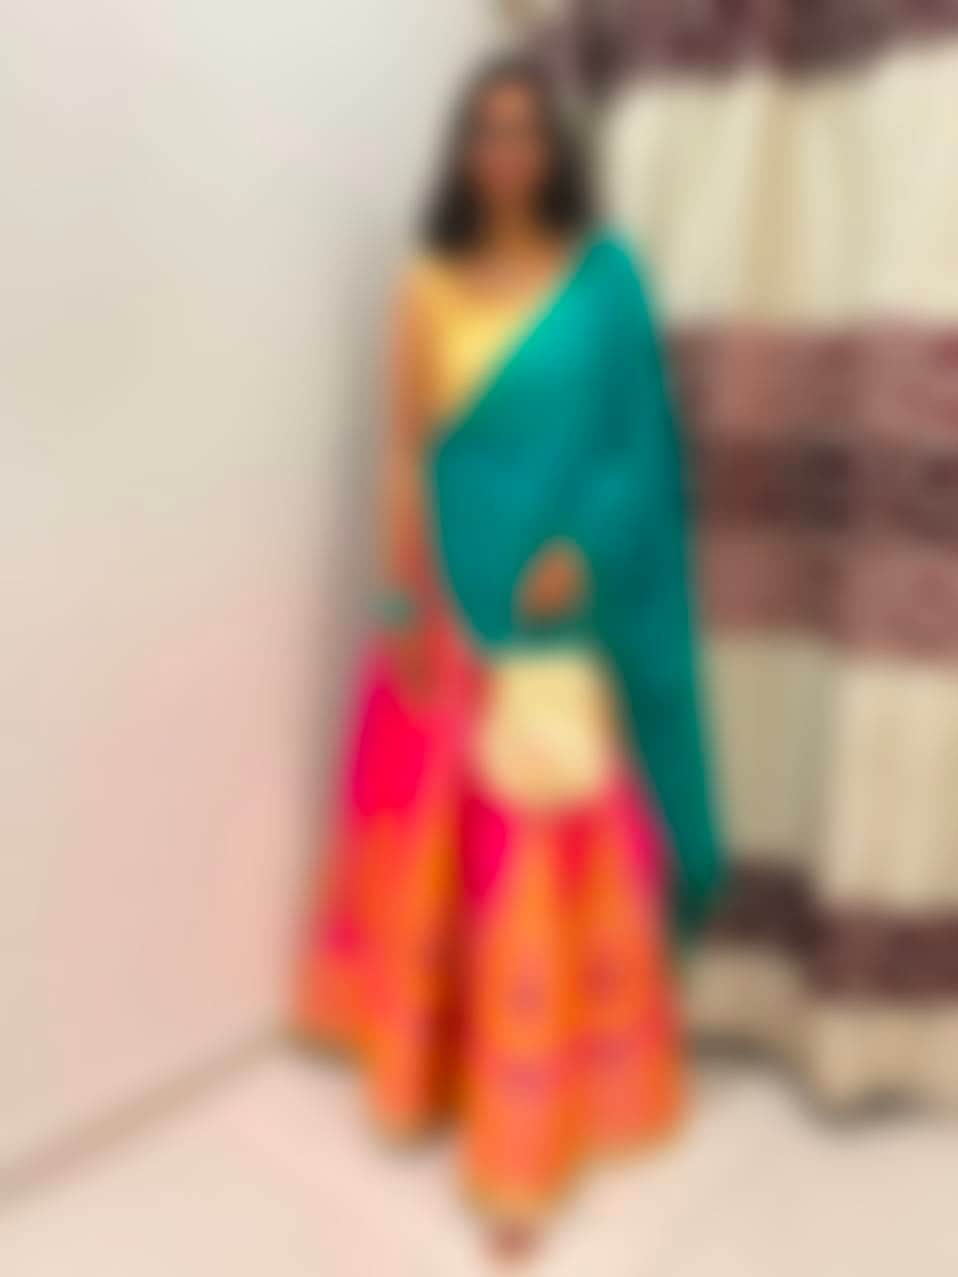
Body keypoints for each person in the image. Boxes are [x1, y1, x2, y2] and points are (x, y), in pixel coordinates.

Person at [297, 53, 723, 1254]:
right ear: (462, 151)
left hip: (556, 611)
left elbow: (640, 446)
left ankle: (523, 1149)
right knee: (447, 854)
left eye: (527, 129)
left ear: (555, 147)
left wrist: (586, 546)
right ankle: (434, 1074)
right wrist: (398, 602)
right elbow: (405, 449)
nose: (506, 152)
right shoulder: (426, 284)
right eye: (486, 131)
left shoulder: (604, 280)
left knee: (537, 853)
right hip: (450, 600)